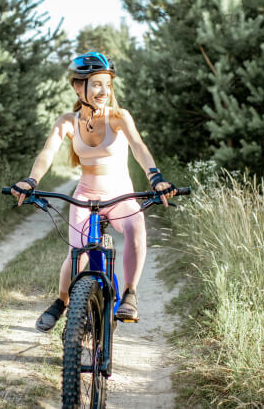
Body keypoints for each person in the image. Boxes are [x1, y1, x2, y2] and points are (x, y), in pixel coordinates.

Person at [10, 51, 176, 332]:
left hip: (120, 195)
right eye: (96, 84)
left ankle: (130, 293)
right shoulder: (67, 121)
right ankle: (62, 301)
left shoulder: (118, 117)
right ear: (78, 86)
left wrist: (156, 177)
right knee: (79, 253)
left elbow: (138, 147)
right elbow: (47, 153)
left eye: (107, 84)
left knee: (137, 230)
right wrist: (32, 181)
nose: (104, 91)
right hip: (85, 196)